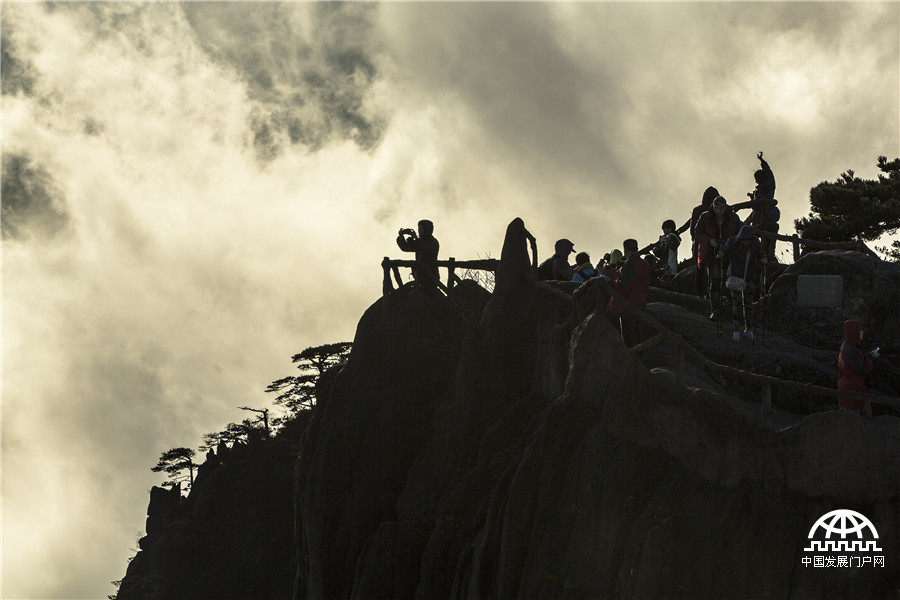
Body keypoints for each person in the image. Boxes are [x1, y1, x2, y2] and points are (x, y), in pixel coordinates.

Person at [696, 196, 741, 320]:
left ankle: (731, 308)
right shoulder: (705, 217)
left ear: (725, 207)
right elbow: (697, 233)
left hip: (729, 253)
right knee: (714, 280)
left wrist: (728, 243)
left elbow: (739, 234)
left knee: (730, 280)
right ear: (713, 206)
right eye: (716, 208)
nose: (718, 211)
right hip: (711, 253)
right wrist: (710, 240)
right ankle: (715, 310)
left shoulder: (733, 218)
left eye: (721, 208)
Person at [604, 239, 650, 346]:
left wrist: (609, 281)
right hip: (642, 303)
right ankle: (640, 355)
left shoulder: (629, 265)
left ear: (625, 250)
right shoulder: (644, 263)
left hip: (628, 306)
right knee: (639, 336)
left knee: (628, 338)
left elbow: (623, 287)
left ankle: (631, 356)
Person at [722, 226, 762, 342]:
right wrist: (721, 252)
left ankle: (748, 329)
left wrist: (763, 258)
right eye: (744, 240)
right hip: (735, 277)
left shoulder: (755, 244)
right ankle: (736, 330)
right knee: (737, 303)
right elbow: (724, 251)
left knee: (748, 304)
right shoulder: (732, 242)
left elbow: (761, 255)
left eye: (748, 240)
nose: (746, 242)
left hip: (749, 277)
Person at [678, 186, 719, 297]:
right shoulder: (716, 211)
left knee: (700, 271)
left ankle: (700, 295)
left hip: (698, 245)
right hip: (713, 244)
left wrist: (696, 239)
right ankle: (710, 294)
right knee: (713, 270)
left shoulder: (697, 210)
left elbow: (693, 230)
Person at [837, 320, 879, 414]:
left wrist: (866, 356)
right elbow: (862, 370)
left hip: (847, 386)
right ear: (853, 332)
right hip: (852, 389)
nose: (862, 333)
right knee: (852, 417)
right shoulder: (851, 350)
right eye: (860, 331)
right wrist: (870, 359)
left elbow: (852, 365)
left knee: (846, 414)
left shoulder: (847, 346)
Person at [745, 151, 780, 263]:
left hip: (761, 218)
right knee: (768, 240)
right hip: (764, 217)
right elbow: (770, 173)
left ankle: (762, 256)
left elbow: (756, 207)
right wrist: (762, 161)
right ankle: (768, 255)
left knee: (751, 230)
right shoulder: (770, 186)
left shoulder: (764, 188)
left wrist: (753, 200)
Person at [396, 219, 440, 295]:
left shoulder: (433, 242)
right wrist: (401, 237)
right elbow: (405, 247)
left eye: (421, 229)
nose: (419, 231)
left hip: (431, 277)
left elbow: (428, 251)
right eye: (419, 228)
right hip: (420, 279)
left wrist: (416, 238)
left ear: (427, 230)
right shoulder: (420, 241)